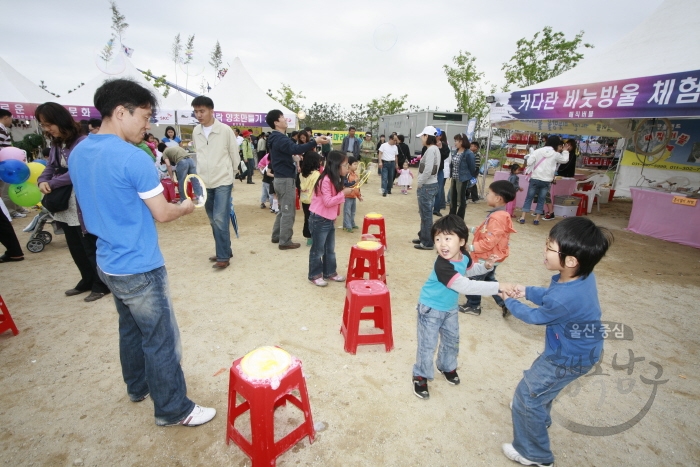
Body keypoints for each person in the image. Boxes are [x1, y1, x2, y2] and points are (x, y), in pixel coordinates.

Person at [69, 78, 215, 428]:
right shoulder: (132, 158)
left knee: (131, 328)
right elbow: (163, 213)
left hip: (108, 261)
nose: (148, 125)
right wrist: (185, 207)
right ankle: (173, 408)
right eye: (145, 117)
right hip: (139, 264)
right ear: (121, 112)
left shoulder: (79, 151)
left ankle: (138, 387)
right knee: (161, 339)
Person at [501, 217, 613, 466]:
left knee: (527, 396)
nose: (544, 250)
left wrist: (510, 300)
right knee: (541, 389)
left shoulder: (565, 296)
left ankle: (535, 454)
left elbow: (535, 316)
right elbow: (551, 296)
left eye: (550, 247)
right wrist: (526, 290)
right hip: (576, 350)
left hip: (566, 357)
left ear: (571, 261)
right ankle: (536, 418)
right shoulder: (580, 277)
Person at [412, 214, 513, 400]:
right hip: (430, 309)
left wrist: (486, 267)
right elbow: (465, 285)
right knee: (427, 345)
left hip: (449, 309)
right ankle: (420, 375)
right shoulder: (442, 265)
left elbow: (469, 269)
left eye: (448, 238)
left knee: (452, 340)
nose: (442, 244)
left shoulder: (464, 255)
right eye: (438, 239)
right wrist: (498, 287)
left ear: (462, 241)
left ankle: (447, 366)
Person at [36, 102, 110, 302]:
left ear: (60, 120)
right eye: (43, 125)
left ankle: (100, 283)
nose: (47, 129)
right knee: (74, 243)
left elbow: (77, 172)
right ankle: (86, 279)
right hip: (64, 204)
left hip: (81, 201)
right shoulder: (56, 144)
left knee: (89, 244)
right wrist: (42, 180)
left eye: (48, 124)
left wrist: (52, 182)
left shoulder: (81, 141)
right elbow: (50, 166)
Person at [266, 109, 327, 250]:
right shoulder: (280, 138)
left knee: (283, 209)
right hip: (285, 179)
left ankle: (277, 236)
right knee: (288, 211)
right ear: (276, 122)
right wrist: (314, 142)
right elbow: (296, 148)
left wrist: (291, 158)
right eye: (282, 117)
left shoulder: (276, 138)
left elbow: (288, 151)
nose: (285, 119)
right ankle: (285, 241)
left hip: (280, 178)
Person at [191, 95, 240, 269]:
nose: (199, 115)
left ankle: (223, 256)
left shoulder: (225, 130)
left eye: (202, 111)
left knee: (219, 218)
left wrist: (231, 175)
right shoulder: (196, 131)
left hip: (222, 181)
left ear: (212, 111)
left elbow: (235, 155)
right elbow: (198, 155)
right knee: (213, 219)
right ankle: (225, 249)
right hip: (204, 182)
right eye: (196, 111)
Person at [459, 180, 517, 317]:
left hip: (486, 257)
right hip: (492, 257)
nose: (486, 195)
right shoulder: (499, 214)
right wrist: (472, 229)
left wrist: (471, 247)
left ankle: (473, 305)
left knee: (472, 281)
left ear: (497, 198)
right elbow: (487, 231)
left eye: (489, 193)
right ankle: (506, 303)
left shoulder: (497, 218)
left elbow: (489, 241)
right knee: (488, 280)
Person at [307, 150, 353, 287]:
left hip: (328, 218)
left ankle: (330, 272)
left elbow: (334, 203)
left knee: (330, 248)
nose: (347, 168)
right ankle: (314, 275)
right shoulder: (325, 180)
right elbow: (328, 202)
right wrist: (343, 194)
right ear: (336, 165)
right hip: (319, 219)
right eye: (345, 165)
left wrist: (335, 216)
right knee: (318, 249)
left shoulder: (336, 179)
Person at [518, 135, 569, 225]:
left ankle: (523, 217)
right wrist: (565, 151)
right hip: (546, 180)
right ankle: (537, 219)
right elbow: (565, 160)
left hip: (535, 178)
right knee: (542, 199)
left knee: (529, 198)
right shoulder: (556, 154)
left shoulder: (538, 151)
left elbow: (529, 162)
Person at [413, 127, 441, 250]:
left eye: (422, 137)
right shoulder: (435, 149)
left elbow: (428, 170)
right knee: (425, 213)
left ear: (426, 136)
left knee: (426, 215)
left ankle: (428, 242)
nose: (421, 139)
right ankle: (423, 236)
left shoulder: (431, 150)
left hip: (427, 185)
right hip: (432, 184)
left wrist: (420, 182)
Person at [448, 133, 475, 220]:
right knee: (453, 198)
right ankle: (452, 216)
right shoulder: (456, 151)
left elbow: (472, 167)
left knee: (461, 199)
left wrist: (469, 178)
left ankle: (459, 218)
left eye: (457, 141)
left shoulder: (468, 153)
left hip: (463, 179)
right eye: (455, 141)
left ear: (462, 141)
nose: (455, 143)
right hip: (454, 177)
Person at [299, 151, 321, 246]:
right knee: (315, 220)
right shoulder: (316, 174)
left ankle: (308, 237)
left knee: (307, 218)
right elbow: (318, 188)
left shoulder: (301, 174)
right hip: (313, 200)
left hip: (304, 199)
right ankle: (314, 237)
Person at [342, 156, 362, 232]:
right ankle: (347, 226)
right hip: (347, 196)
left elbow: (357, 187)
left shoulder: (355, 175)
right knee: (347, 212)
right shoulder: (347, 174)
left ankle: (352, 224)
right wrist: (354, 181)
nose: (356, 166)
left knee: (353, 211)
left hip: (353, 196)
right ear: (349, 165)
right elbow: (346, 184)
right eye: (354, 164)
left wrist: (359, 196)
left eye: (357, 164)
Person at [432, 132, 450, 216]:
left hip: (439, 170)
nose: (436, 137)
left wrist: (440, 148)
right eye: (435, 135)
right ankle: (427, 207)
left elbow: (445, 156)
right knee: (428, 189)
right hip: (430, 170)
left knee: (439, 190)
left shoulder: (444, 145)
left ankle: (436, 209)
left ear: (440, 136)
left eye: (438, 135)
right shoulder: (430, 144)